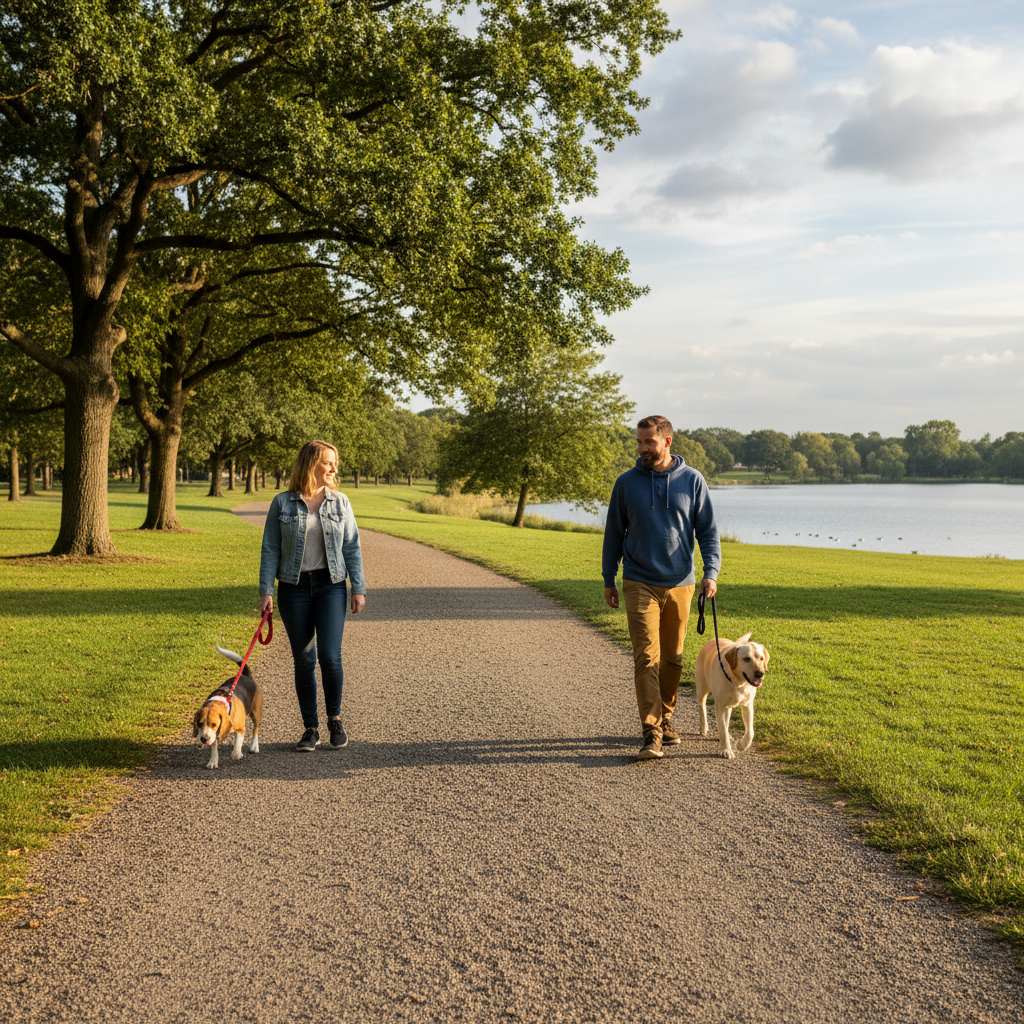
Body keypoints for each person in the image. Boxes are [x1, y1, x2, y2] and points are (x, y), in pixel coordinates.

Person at [602, 415, 721, 761]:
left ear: (667, 442)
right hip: (638, 580)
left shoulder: (693, 481)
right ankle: (651, 731)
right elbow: (613, 534)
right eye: (639, 442)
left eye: (648, 443)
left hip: (681, 583)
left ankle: (667, 718)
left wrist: (710, 573)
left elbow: (708, 534)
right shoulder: (626, 483)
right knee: (647, 657)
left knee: (673, 660)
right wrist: (609, 577)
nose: (642, 449)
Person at [259, 440, 366, 751]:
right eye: (328, 462)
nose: (334, 468)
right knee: (304, 660)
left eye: (335, 462)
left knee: (330, 656)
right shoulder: (282, 503)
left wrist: (358, 587)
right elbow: (271, 550)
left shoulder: (341, 502)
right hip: (293, 590)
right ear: (311, 464)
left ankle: (335, 718)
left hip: (330, 585)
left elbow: (351, 547)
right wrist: (266, 590)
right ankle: (310, 728)